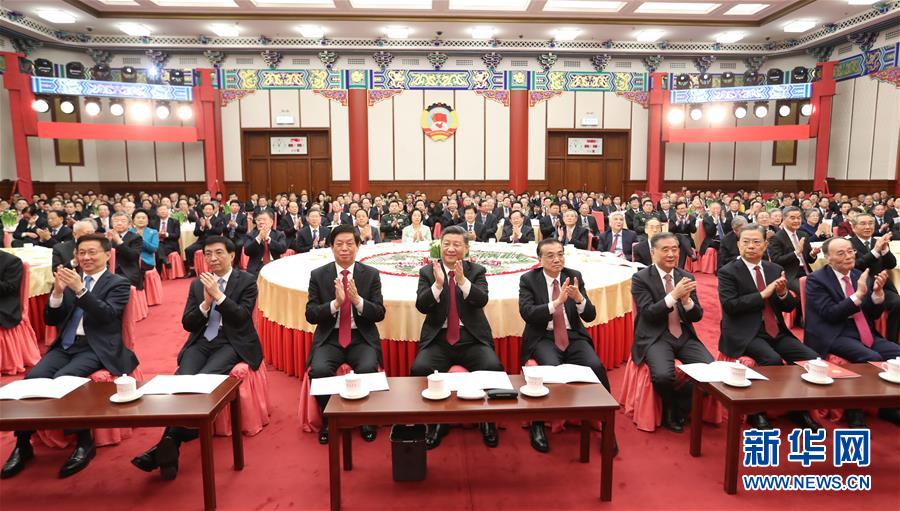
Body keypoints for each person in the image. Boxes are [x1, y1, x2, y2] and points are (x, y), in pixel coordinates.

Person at [2, 234, 137, 479]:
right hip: (65, 345)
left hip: (96, 347)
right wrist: (56, 292)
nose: (86, 257)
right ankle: (23, 443)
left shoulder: (118, 283)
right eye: (81, 252)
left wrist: (80, 290)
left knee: (65, 379)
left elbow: (107, 315)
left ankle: (84, 441)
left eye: (92, 252)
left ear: (107, 255)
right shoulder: (70, 279)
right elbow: (51, 319)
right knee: (32, 380)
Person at [132, 235, 263, 480]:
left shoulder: (246, 281)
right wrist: (205, 303)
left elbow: (242, 318)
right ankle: (174, 440)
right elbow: (188, 323)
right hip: (202, 341)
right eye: (208, 254)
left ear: (232, 255)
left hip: (232, 341)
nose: (213, 258)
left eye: (219, 253)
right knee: (181, 381)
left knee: (203, 380)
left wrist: (219, 297)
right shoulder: (197, 284)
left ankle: (169, 442)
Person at [717, 224, 821, 430]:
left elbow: (789, 307)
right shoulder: (728, 271)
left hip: (776, 330)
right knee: (771, 359)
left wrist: (782, 294)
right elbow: (730, 306)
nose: (751, 246)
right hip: (746, 331)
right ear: (738, 245)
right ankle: (758, 411)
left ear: (765, 245)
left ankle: (799, 409)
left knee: (810, 358)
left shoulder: (774, 269)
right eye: (746, 242)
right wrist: (762, 295)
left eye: (756, 242)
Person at [411, 226, 504, 449]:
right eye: (446, 244)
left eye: (456, 245)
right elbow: (422, 306)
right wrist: (437, 285)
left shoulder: (476, 270)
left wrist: (462, 281)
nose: (451, 249)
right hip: (439, 339)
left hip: (471, 338)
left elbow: (481, 300)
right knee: (420, 369)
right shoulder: (428, 272)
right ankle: (436, 422)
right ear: (439, 246)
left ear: (466, 248)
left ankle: (488, 421)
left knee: (493, 367)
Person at [518, 238, 611, 453]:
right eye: (550, 255)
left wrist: (579, 299)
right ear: (539, 259)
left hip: (574, 336)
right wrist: (556, 303)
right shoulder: (529, 279)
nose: (557, 259)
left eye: (560, 254)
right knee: (550, 371)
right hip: (544, 337)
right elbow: (528, 313)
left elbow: (590, 316)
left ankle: (606, 422)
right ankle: (538, 424)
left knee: (595, 366)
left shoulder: (574, 276)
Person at [804, 237, 900, 427]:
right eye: (841, 253)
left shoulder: (858, 275)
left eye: (850, 251)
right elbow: (830, 314)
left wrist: (877, 295)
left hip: (863, 330)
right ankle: (854, 411)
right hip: (833, 332)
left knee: (896, 353)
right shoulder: (816, 279)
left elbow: (872, 314)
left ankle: (888, 406)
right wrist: (858, 295)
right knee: (871, 357)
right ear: (828, 258)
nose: (848, 256)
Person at [306, 225, 386, 444]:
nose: (344, 248)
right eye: (339, 244)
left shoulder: (370, 274)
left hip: (361, 337)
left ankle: (365, 419)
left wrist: (358, 301)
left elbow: (379, 313)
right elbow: (311, 314)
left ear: (358, 246)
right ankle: (328, 418)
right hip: (330, 337)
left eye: (350, 244)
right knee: (319, 370)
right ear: (331, 247)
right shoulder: (318, 275)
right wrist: (335, 303)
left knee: (368, 368)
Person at [630, 232, 713, 432]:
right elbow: (648, 313)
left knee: (712, 374)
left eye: (674, 249)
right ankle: (668, 408)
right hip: (656, 335)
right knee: (663, 376)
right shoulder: (641, 278)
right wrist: (673, 296)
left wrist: (687, 301)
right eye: (665, 250)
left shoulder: (686, 276)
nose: (671, 254)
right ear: (653, 253)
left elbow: (697, 316)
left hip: (683, 334)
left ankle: (680, 405)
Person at [768, 206, 819, 299]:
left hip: (807, 271)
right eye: (792, 218)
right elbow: (776, 260)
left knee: (825, 286)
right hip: (791, 274)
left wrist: (813, 254)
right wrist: (796, 252)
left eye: (798, 218)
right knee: (809, 292)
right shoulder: (776, 238)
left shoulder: (803, 234)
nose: (796, 220)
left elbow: (810, 260)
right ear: (784, 219)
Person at [106, 212, 144, 290]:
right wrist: (106, 243)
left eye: (123, 221)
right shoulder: (107, 237)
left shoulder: (136, 237)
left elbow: (133, 256)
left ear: (129, 224)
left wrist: (119, 242)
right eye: (116, 221)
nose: (119, 223)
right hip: (108, 270)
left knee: (117, 283)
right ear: (111, 224)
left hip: (127, 271)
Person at [243, 211, 287, 276]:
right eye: (258, 220)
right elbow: (247, 251)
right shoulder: (251, 235)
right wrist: (258, 238)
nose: (261, 222)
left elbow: (283, 249)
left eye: (264, 219)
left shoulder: (278, 234)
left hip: (274, 264)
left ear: (271, 222)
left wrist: (269, 240)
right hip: (257, 266)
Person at [185, 203, 223, 274]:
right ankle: (192, 269)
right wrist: (201, 227)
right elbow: (195, 233)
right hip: (201, 242)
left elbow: (219, 232)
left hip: (214, 241)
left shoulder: (218, 220)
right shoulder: (200, 220)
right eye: (206, 209)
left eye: (210, 209)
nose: (208, 211)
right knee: (188, 250)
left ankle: (213, 269)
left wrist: (210, 226)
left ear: (213, 210)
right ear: (203, 210)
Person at [151, 204, 181, 272]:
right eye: (160, 210)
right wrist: (157, 235)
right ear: (157, 213)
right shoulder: (153, 223)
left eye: (164, 209)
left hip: (170, 244)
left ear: (168, 211)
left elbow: (177, 235)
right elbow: (151, 235)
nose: (163, 211)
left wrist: (166, 234)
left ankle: (159, 272)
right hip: (157, 243)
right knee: (158, 247)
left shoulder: (174, 221)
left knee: (157, 250)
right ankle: (164, 260)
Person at [668, 202, 697, 268]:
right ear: (677, 210)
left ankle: (680, 268)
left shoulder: (691, 218)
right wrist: (677, 222)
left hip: (687, 240)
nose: (682, 210)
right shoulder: (673, 218)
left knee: (683, 246)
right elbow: (670, 230)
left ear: (686, 208)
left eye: (683, 208)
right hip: (675, 239)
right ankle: (691, 254)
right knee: (680, 236)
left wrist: (688, 222)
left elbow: (694, 231)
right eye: (680, 209)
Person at [222, 200, 248, 265]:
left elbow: (245, 229)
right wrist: (228, 225)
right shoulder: (225, 216)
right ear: (230, 207)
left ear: (239, 207)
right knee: (224, 244)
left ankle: (236, 264)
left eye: (236, 206)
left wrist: (236, 225)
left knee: (238, 244)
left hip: (239, 237)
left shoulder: (243, 216)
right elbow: (222, 229)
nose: (234, 207)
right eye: (233, 205)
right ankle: (226, 263)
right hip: (228, 236)